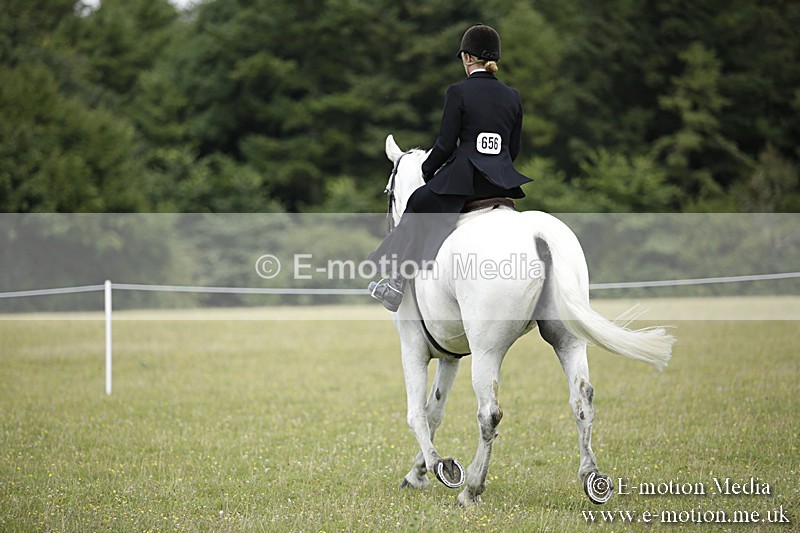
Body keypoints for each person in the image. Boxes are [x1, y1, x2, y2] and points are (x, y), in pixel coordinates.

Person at [368, 24, 532, 311]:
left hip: (465, 181)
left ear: (467, 57)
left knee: (418, 202)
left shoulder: (458, 92)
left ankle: (395, 283)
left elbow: (445, 145)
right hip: (502, 182)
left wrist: (427, 172)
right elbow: (513, 149)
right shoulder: (512, 95)